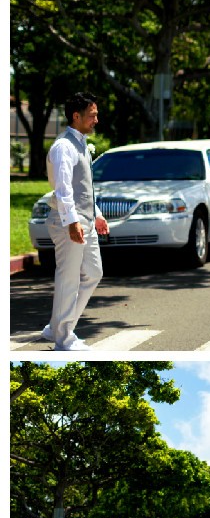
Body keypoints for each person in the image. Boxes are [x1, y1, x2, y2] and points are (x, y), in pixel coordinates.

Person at [41, 92, 109, 351]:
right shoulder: (63, 147)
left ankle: (55, 326)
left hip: (86, 220)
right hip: (68, 222)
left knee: (93, 273)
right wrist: (72, 222)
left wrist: (98, 215)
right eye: (92, 115)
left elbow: (84, 187)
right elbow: (63, 189)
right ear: (76, 116)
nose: (96, 120)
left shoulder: (81, 144)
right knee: (68, 279)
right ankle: (64, 338)